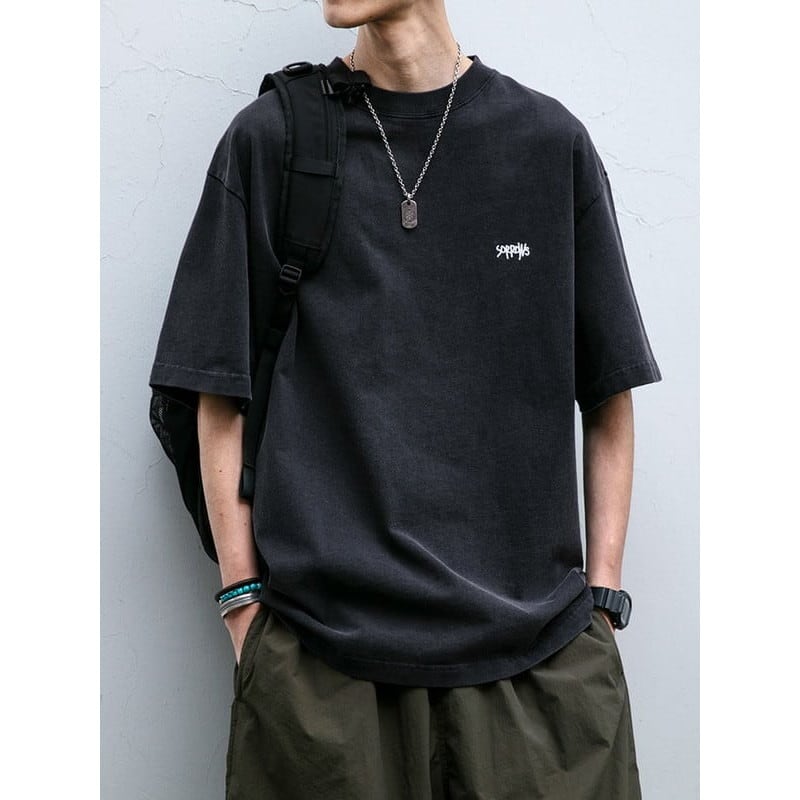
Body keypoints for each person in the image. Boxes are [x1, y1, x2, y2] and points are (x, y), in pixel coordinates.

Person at [148, 1, 663, 797]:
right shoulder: (273, 140)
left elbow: (609, 392)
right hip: (325, 678)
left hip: (536, 674)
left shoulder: (545, 143)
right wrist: (243, 606)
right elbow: (217, 390)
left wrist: (600, 601)